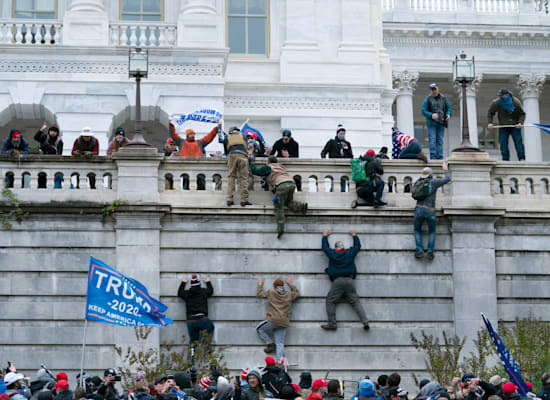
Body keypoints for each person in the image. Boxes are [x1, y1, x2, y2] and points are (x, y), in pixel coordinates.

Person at [321, 229, 370, 330]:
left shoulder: (333, 254)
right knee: (355, 302)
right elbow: (357, 246)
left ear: (336, 248)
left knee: (330, 301)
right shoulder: (349, 253)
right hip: (350, 281)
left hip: (337, 281)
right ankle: (365, 322)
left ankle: (332, 324)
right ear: (343, 247)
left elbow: (325, 248)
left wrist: (325, 236)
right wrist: (354, 235)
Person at [250, 155, 308, 238]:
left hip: (282, 185)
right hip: (291, 184)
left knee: (278, 205)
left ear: (268, 162)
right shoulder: (281, 167)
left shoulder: (269, 167)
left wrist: (252, 163)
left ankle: (280, 228)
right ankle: (301, 207)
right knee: (287, 201)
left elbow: (256, 171)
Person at [256, 278, 300, 362]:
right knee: (280, 343)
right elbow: (297, 294)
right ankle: (280, 362)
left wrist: (260, 284)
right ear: (283, 285)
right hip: (284, 322)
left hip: (273, 320)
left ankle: (270, 343)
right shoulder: (289, 294)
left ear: (274, 286)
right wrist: (291, 284)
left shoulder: (271, 292)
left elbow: (259, 294)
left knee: (259, 329)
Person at [414, 163, 451, 260]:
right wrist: (445, 169)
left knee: (417, 230)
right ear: (431, 174)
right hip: (430, 209)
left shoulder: (418, 182)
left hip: (418, 208)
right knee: (432, 231)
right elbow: (448, 179)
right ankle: (430, 251)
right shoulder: (434, 182)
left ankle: (419, 250)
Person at [487, 88, 526, 161]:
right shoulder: (497, 102)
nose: (500, 97)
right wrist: (490, 123)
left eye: (502, 96)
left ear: (507, 95)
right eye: (500, 96)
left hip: (515, 126)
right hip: (503, 126)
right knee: (503, 143)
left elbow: (522, 114)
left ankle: (522, 158)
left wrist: (520, 123)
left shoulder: (515, 102)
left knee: (518, 143)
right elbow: (490, 113)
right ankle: (505, 159)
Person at [177, 274, 215, 346]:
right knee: (210, 328)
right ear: (199, 285)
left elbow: (180, 293)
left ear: (191, 286)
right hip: (202, 318)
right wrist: (208, 282)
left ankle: (192, 356)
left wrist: (183, 283)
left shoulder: (187, 293)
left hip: (191, 320)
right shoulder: (203, 292)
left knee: (193, 341)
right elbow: (210, 291)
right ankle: (206, 348)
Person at [422, 83, 451, 160]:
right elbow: (423, 111)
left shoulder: (444, 98)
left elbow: (448, 108)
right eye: (432, 89)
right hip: (432, 124)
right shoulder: (427, 99)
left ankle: (440, 157)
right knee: (432, 140)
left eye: (435, 89)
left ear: (438, 89)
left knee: (440, 141)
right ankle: (433, 157)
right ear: (430, 90)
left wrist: (448, 114)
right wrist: (431, 115)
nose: (434, 91)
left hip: (441, 123)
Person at [224, 126, 251, 206]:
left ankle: (229, 199)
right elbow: (246, 147)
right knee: (244, 178)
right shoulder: (243, 136)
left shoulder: (227, 137)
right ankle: (244, 200)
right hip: (243, 155)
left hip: (232, 155)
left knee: (231, 176)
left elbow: (226, 150)